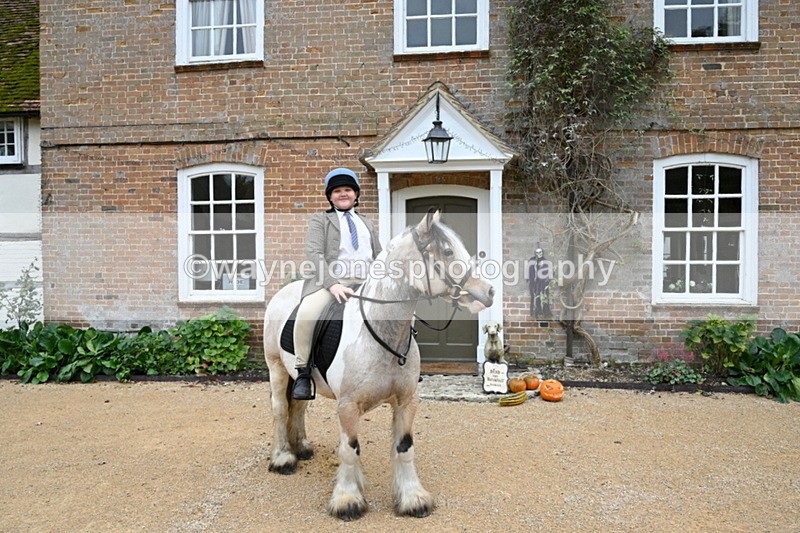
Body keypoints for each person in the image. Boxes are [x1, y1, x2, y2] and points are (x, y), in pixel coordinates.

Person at [291, 168, 382, 400]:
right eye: (338, 191)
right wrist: (332, 285)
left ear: (356, 194)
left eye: (348, 190)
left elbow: (378, 254)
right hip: (332, 282)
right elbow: (314, 252)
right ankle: (303, 373)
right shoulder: (321, 220)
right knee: (308, 313)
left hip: (366, 282)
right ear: (330, 196)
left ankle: (398, 362)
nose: (343, 194)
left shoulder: (366, 222)